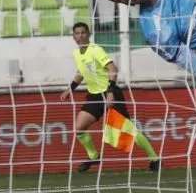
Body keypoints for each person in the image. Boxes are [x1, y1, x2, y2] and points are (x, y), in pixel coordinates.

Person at [58, 22, 160, 173]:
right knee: (79, 128)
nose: (80, 36)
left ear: (88, 34)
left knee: (129, 130)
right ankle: (94, 156)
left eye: (83, 33)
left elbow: (113, 69)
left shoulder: (96, 50)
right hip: (94, 96)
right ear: (73, 37)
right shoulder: (76, 54)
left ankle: (155, 159)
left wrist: (111, 92)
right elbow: (81, 72)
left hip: (110, 93)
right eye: (77, 33)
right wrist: (70, 89)